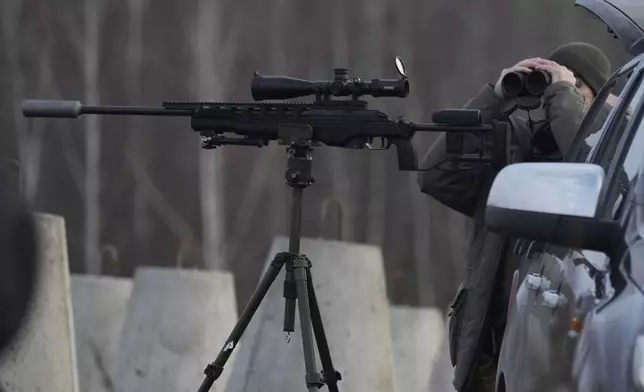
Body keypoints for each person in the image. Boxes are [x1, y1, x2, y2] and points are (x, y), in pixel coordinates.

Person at [417, 42, 612, 392]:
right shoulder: (513, 156)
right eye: (547, 81)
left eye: (574, 84)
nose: (555, 91)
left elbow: (586, 165)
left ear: (600, 99)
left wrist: (563, 97)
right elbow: (435, 175)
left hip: (548, 360)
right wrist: (494, 97)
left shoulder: (606, 163)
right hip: (489, 352)